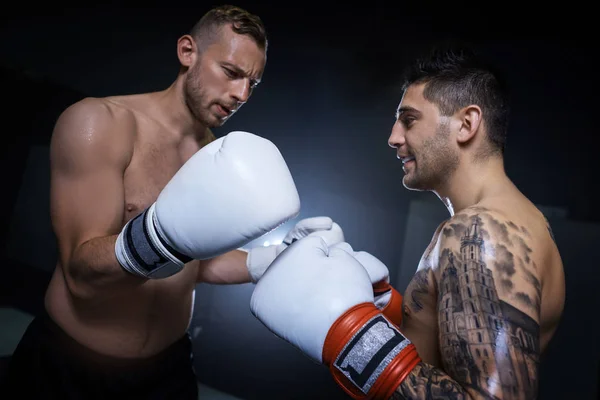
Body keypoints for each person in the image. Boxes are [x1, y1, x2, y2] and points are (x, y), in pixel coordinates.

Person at [2, 5, 343, 399]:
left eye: (253, 83)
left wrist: (271, 260)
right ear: (187, 52)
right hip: (70, 367)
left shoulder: (219, 157)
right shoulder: (101, 123)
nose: (241, 94)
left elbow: (197, 261)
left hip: (167, 371)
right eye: (231, 73)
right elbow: (81, 276)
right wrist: (160, 237)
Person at [251, 43, 565, 399]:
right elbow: (456, 359)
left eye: (409, 119)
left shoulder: (480, 233)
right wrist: (390, 310)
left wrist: (354, 339)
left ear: (466, 124)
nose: (393, 137)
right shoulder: (525, 222)